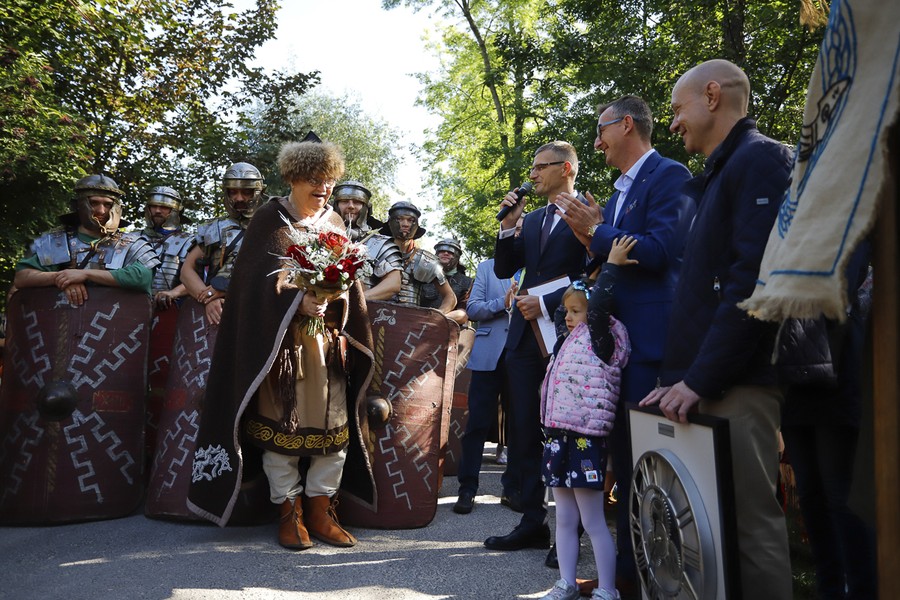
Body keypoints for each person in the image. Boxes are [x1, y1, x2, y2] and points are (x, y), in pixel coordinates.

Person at [639, 59, 794, 598]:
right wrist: (680, 377)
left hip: (740, 382)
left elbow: (751, 285)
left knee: (750, 527)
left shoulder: (761, 161)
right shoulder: (721, 175)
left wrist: (700, 379)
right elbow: (704, 295)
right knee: (708, 537)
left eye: (677, 109)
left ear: (711, 96)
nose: (674, 122)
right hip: (707, 382)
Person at [187, 139, 376, 551]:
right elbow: (253, 287)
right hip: (281, 352)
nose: (323, 188)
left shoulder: (335, 224)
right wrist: (298, 300)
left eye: (327, 179)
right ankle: (288, 515)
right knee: (282, 433)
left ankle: (321, 511)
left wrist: (336, 298)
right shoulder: (269, 218)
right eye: (313, 179)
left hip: (328, 348)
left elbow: (351, 285)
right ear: (292, 178)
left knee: (335, 431)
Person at [554, 95, 694, 589]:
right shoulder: (614, 195)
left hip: (650, 347)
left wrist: (596, 230)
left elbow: (658, 251)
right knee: (622, 467)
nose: (596, 142)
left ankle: (648, 581)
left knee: (646, 470)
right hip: (612, 351)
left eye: (601, 130)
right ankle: (625, 581)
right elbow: (606, 259)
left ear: (627, 124)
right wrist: (591, 236)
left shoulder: (670, 176)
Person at [488, 141, 590, 552]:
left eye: (540, 168)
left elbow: (594, 271)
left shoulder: (589, 213)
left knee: (566, 430)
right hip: (524, 339)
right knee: (524, 429)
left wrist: (547, 302)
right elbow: (503, 268)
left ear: (565, 168)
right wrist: (507, 226)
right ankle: (532, 521)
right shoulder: (529, 220)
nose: (532, 175)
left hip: (568, 333)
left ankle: (574, 531)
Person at [777, 242, 876, 600]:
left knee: (841, 496)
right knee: (812, 495)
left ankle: (863, 589)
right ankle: (830, 589)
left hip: (838, 365)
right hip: (792, 368)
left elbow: (845, 280)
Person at [539, 236, 636, 600]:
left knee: (593, 520)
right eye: (567, 310)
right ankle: (566, 582)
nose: (569, 316)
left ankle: (608, 589)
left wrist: (608, 266)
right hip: (559, 436)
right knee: (563, 518)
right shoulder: (567, 341)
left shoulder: (602, 337)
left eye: (577, 311)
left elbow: (598, 309)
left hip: (585, 438)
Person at [14, 174, 159, 300]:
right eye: (94, 203)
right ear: (79, 205)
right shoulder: (56, 240)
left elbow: (142, 277)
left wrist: (85, 275)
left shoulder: (132, 243)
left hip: (114, 323)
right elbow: (23, 277)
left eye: (107, 204)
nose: (101, 210)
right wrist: (64, 279)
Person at [452, 255, 520, 515]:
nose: (517, 234)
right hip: (489, 354)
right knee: (477, 424)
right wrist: (502, 303)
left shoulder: (535, 265)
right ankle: (467, 488)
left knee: (520, 425)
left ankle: (512, 489)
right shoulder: (487, 267)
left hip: (523, 354)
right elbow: (473, 309)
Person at [180, 162, 265, 326]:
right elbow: (186, 271)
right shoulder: (214, 228)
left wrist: (219, 291)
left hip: (258, 309)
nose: (239, 198)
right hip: (217, 314)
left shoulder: (272, 226)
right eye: (233, 192)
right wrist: (208, 299)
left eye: (246, 192)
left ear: (259, 191)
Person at [378, 200, 456, 312]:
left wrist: (438, 315)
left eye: (410, 220)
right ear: (390, 222)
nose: (405, 224)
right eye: (399, 219)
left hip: (410, 321)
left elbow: (450, 296)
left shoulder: (427, 261)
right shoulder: (375, 250)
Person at [331, 180, 402, 301]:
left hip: (365, 314)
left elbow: (393, 284)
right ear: (335, 205)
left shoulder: (380, 243)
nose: (351, 206)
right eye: (344, 201)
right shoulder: (320, 238)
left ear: (366, 208)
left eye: (357, 202)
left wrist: (358, 300)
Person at [139, 185, 193, 309]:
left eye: (164, 207)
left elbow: (197, 279)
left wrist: (174, 293)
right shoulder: (132, 238)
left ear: (175, 211)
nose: (158, 210)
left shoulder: (188, 241)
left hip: (171, 309)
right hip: (134, 307)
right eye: (154, 206)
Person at [423, 238, 472, 325]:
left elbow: (462, 314)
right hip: (417, 325)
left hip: (449, 329)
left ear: (457, 256)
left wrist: (435, 319)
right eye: (442, 251)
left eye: (451, 252)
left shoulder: (467, 282)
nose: (446, 253)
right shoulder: (423, 276)